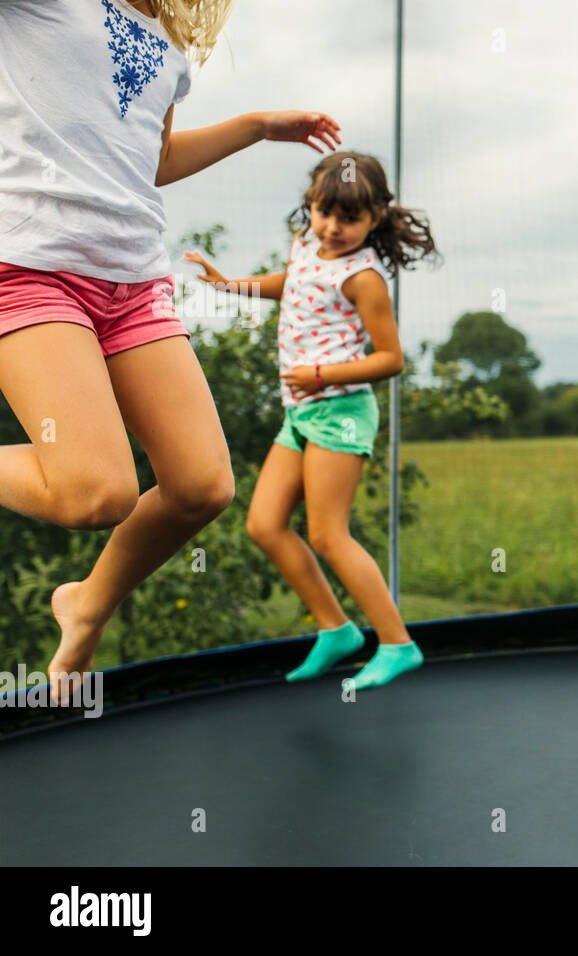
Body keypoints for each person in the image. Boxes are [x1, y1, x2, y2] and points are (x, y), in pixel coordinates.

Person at [0, 0, 341, 700]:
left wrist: (255, 127)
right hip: (31, 265)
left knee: (202, 486)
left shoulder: (166, 42)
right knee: (98, 492)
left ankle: (86, 602)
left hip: (133, 281)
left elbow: (150, 159)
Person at [184, 151, 440, 689]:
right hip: (300, 410)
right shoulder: (308, 247)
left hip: (340, 411)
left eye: (350, 218)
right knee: (264, 524)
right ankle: (336, 630)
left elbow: (390, 359)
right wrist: (232, 285)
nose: (334, 227)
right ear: (311, 207)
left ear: (374, 219)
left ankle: (397, 643)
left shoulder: (366, 278)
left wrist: (322, 374)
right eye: (325, 213)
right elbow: (295, 282)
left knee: (328, 533)